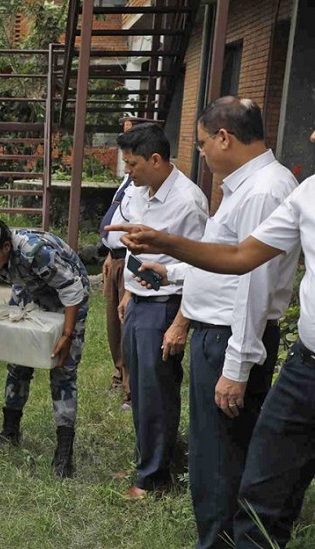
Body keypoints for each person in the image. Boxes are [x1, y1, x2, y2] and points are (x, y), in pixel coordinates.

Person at [109, 173, 313, 549]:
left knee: (227, 460)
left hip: (230, 336)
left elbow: (254, 281)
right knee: (256, 483)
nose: (313, 137)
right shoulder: (306, 190)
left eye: (202, 142)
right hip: (303, 362)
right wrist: (167, 256)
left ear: (223, 137)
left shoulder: (264, 190)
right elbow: (236, 256)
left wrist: (236, 363)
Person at [115, 123, 208, 499]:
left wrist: (181, 321)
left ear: (156, 159)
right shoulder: (140, 190)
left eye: (133, 164)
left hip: (166, 305)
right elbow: (135, 246)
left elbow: (204, 265)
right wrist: (127, 291)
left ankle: (155, 477)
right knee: (138, 387)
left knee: (158, 392)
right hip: (138, 299)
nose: (127, 171)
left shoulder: (189, 201)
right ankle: (146, 461)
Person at [0, 217, 90, 478]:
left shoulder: (36, 252)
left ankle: (64, 453)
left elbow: (71, 289)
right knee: (18, 363)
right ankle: (9, 433)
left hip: (67, 298)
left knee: (62, 371)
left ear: (5, 247)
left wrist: (67, 334)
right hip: (29, 291)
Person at [100, 115, 162, 409]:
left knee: (130, 331)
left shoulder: (149, 186)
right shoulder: (131, 180)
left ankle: (130, 390)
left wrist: (127, 266)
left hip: (132, 263)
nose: (127, 165)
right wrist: (108, 254)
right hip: (115, 259)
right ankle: (119, 375)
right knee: (115, 325)